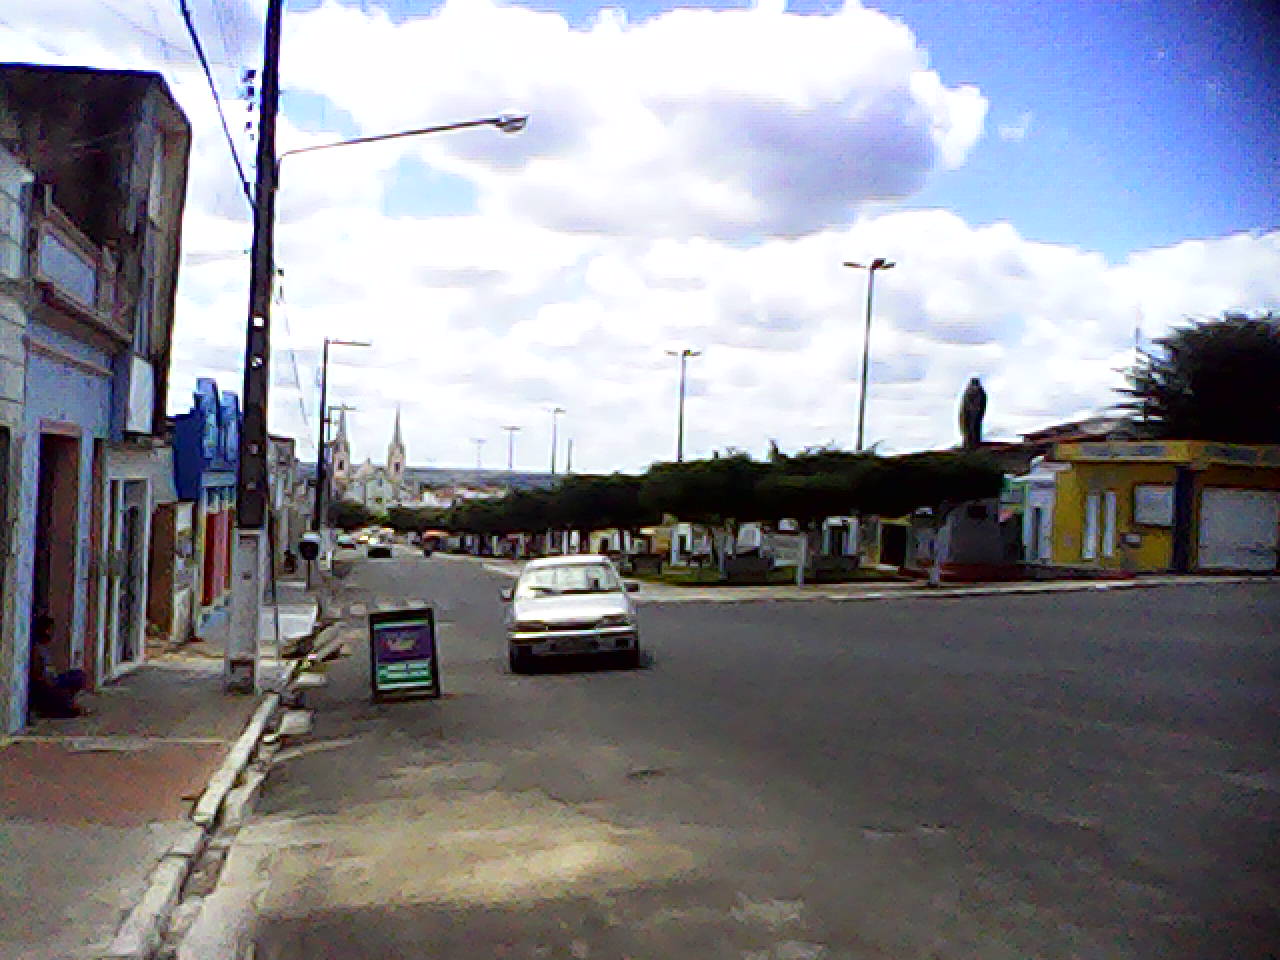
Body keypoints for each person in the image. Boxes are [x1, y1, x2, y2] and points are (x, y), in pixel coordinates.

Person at [28, 614, 86, 719]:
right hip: (47, 685)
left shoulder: (44, 647)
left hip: (53, 679)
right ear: (45, 631)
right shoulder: (37, 649)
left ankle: (68, 704)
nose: (53, 633)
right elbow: (39, 675)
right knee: (75, 679)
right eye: (51, 630)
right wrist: (51, 682)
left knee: (78, 675)